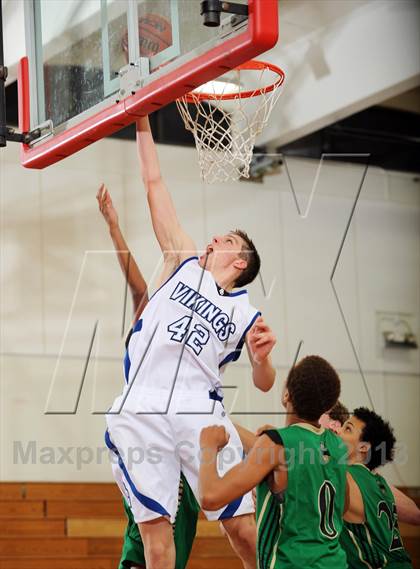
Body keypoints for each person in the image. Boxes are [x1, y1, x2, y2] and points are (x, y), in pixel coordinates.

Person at [104, 115, 277, 569]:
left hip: (199, 410)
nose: (214, 236)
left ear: (240, 260)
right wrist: (142, 115)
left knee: (242, 529)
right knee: (157, 548)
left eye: (228, 238)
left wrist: (261, 360)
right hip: (142, 405)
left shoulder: (246, 312)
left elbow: (264, 384)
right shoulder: (183, 261)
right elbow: (153, 181)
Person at [97, 185, 200, 569]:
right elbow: (140, 288)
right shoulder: (150, 327)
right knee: (150, 539)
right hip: (145, 432)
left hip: (180, 437)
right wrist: (114, 229)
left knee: (175, 535)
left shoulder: (190, 330)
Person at [199, 355, 349, 569]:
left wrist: (208, 447)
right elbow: (342, 506)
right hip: (335, 562)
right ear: (329, 404)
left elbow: (210, 497)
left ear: (286, 394)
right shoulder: (338, 446)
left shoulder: (276, 444)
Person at [340, 408, 418, 568]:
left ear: (363, 447)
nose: (338, 432)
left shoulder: (346, 476)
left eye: (347, 428)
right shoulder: (380, 482)